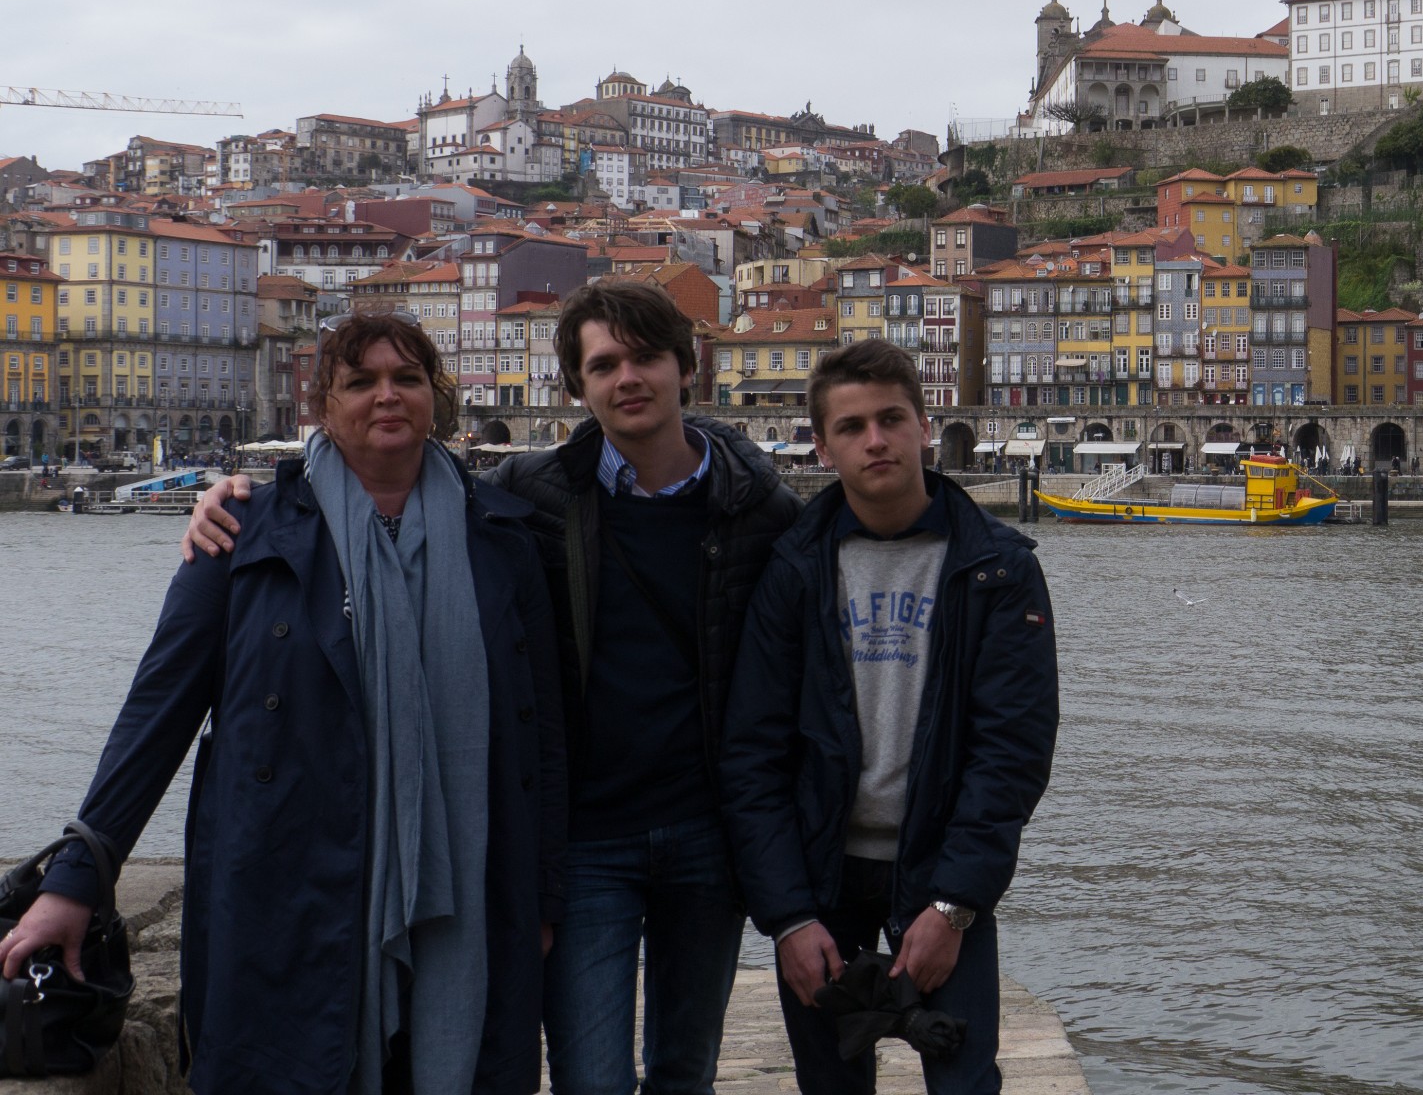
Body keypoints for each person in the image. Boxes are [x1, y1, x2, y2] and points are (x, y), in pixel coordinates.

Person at [184, 282, 801, 1095]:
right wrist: (230, 495)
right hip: (590, 837)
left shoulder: (763, 508)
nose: (627, 379)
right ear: (576, 386)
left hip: (707, 831)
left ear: (687, 368)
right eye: (603, 365)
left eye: (646, 358)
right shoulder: (533, 498)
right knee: (590, 1079)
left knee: (686, 1071)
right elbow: (428, 500)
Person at [3, 313, 565, 1095]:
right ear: (322, 407)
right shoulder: (241, 535)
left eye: (406, 379)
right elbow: (155, 716)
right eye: (360, 382)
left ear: (434, 396)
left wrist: (542, 898)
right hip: (286, 896)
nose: (387, 396)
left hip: (470, 896)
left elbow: (543, 737)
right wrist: (75, 880)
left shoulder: (502, 539)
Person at [723, 339, 1058, 1095]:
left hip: (938, 862)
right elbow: (752, 754)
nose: (874, 440)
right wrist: (788, 917)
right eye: (851, 427)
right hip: (822, 874)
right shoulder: (793, 570)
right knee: (830, 1084)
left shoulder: (998, 568)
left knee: (963, 1081)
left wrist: (955, 904)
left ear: (924, 427)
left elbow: (1011, 750)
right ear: (823, 447)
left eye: (891, 419)